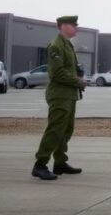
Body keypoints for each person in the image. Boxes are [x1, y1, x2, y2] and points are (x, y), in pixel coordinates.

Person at [32, 15, 87, 181]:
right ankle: (40, 165)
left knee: (66, 130)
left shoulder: (67, 44)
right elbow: (57, 73)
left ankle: (60, 162)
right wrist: (77, 81)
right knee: (55, 130)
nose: (76, 27)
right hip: (60, 94)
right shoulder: (56, 46)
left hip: (69, 94)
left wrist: (77, 78)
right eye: (73, 25)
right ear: (63, 26)